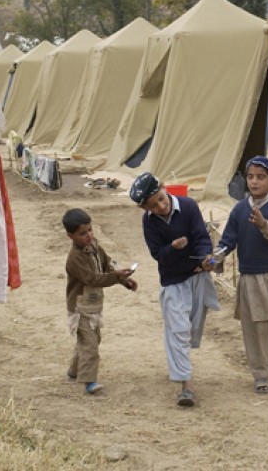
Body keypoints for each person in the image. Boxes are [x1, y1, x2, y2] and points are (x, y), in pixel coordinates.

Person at [130, 172, 219, 407]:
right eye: (154, 205)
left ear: (164, 188)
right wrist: (173, 247)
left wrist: (205, 258)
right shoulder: (149, 222)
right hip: (173, 281)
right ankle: (185, 385)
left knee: (191, 328)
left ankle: (180, 363)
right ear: (145, 209)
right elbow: (158, 255)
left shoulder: (188, 206)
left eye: (161, 198)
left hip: (198, 276)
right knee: (177, 329)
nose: (161, 205)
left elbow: (201, 237)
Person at [213, 156, 268, 395]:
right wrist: (216, 257)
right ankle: (260, 373)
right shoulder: (239, 209)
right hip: (250, 278)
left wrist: (262, 224)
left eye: (261, 177)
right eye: (250, 177)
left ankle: (266, 362)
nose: (254, 182)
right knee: (256, 327)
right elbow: (228, 240)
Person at [62, 208, 137, 395]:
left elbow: (107, 263)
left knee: (91, 340)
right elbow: (92, 279)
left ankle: (74, 371)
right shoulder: (75, 258)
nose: (88, 235)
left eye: (90, 230)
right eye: (82, 233)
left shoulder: (94, 247)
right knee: (90, 344)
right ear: (70, 236)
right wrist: (116, 276)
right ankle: (89, 381)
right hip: (80, 307)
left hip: (93, 304)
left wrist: (124, 279)